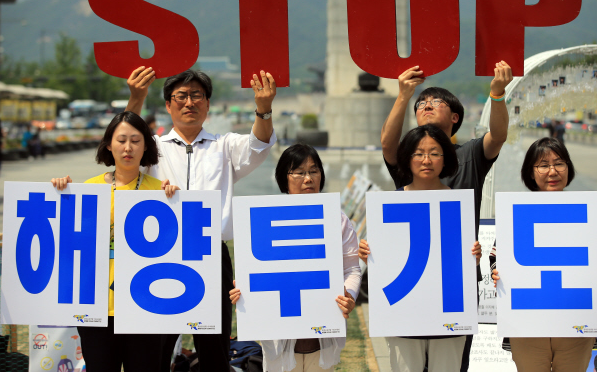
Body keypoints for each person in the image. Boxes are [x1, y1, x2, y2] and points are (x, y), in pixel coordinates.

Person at [125, 66, 277, 369]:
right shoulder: (152, 148)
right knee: (157, 343)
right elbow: (123, 144)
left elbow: (258, 146)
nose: (189, 102)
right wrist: (136, 99)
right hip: (160, 253)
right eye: (180, 96)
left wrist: (264, 109)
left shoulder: (225, 145)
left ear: (207, 104)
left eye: (197, 95)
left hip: (210, 252)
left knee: (214, 345)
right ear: (168, 105)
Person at [375, 61, 512, 370]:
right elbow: (387, 143)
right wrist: (402, 96)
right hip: (409, 279)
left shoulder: (472, 154)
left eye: (434, 102)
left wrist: (498, 94)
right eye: (420, 103)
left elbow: (499, 135)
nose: (425, 105)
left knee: (451, 362)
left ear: (455, 118)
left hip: (455, 280)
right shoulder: (409, 160)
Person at [51, 111, 180, 372]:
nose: (128, 147)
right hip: (97, 306)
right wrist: (59, 193)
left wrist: (178, 205)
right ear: (108, 144)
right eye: (121, 140)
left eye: (136, 140)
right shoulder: (87, 189)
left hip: (145, 306)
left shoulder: (162, 192)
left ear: (146, 146)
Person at [359, 124, 482, 372]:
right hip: (403, 317)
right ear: (407, 157)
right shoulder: (390, 204)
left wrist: (473, 258)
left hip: (449, 317)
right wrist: (367, 253)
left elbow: (457, 262)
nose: (427, 160)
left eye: (435, 153)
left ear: (445, 158)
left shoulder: (458, 204)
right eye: (418, 153)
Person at [229, 143, 361, 371]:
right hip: (279, 344)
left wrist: (348, 294)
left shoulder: (337, 220)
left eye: (313, 170)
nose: (308, 178)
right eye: (299, 172)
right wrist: (243, 291)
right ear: (284, 178)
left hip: (322, 340)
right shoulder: (265, 220)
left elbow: (352, 269)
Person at [491, 137, 597, 371]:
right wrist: (497, 273)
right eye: (543, 165)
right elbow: (496, 256)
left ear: (569, 168)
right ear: (530, 172)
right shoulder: (517, 212)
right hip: (528, 326)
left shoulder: (585, 211)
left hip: (575, 324)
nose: (553, 171)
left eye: (559, 163)